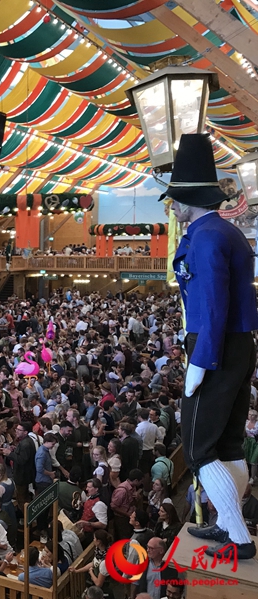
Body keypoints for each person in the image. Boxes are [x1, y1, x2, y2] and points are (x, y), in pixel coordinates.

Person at [166, 134, 258, 560]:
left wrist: (200, 361)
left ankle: (237, 536)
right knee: (228, 443)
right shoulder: (225, 232)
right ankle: (226, 522)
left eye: (174, 199)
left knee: (198, 448)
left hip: (214, 345)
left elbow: (214, 305)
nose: (171, 206)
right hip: (237, 343)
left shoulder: (206, 238)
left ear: (188, 198)